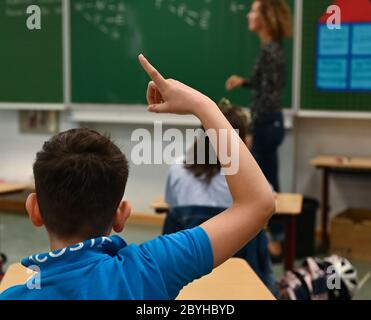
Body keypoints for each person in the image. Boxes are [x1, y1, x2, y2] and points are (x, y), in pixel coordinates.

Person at [0, 55, 275, 300]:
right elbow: (258, 204)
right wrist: (203, 106)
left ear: (34, 210)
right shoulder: (149, 270)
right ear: (122, 215)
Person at [164, 99, 278, 295]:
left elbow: (172, 207)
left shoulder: (177, 169)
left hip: (187, 271)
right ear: (241, 141)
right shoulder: (250, 184)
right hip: (243, 273)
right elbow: (267, 204)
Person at [226, 0, 292, 256]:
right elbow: (264, 85)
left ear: (264, 17)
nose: (249, 15)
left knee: (265, 185)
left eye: (254, 10)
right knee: (267, 182)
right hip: (269, 122)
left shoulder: (271, 51)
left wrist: (251, 129)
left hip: (267, 123)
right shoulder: (270, 49)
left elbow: (268, 96)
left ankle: (274, 241)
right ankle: (273, 240)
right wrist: (244, 81)